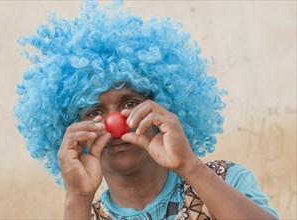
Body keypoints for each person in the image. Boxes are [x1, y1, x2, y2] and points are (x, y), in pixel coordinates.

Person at [14, 1, 279, 219]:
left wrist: (190, 167)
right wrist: (78, 198)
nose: (114, 122)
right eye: (94, 112)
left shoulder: (225, 181)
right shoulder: (83, 214)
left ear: (164, 109)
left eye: (129, 103)